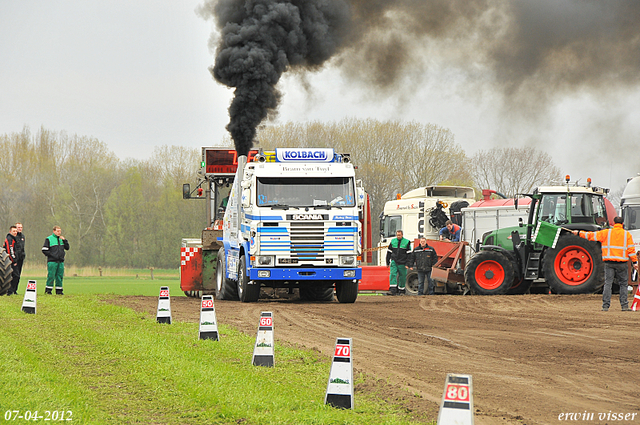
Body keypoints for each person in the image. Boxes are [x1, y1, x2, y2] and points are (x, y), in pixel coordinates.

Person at [573, 216, 638, 311]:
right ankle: (624, 306)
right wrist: (635, 262)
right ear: (622, 224)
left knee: (608, 283)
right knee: (623, 284)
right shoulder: (626, 235)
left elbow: (591, 236)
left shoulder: (607, 232)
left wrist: (578, 233)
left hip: (609, 263)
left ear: (614, 223)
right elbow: (631, 250)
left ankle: (605, 306)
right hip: (622, 263)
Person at [42, 226, 70, 295]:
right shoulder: (49, 239)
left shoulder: (61, 240)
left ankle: (59, 291)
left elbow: (67, 248)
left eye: (60, 231)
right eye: (57, 231)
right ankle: (48, 290)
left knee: (59, 276)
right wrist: (52, 255)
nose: (59, 233)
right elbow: (44, 250)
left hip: (60, 261)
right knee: (51, 276)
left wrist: (65, 240)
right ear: (54, 231)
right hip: (52, 261)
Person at [385, 230, 411, 295]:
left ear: (402, 235)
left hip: (403, 262)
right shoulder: (393, 241)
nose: (398, 236)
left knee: (402, 276)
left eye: (399, 235)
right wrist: (387, 262)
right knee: (393, 274)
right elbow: (389, 252)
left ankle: (401, 290)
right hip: (394, 261)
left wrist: (408, 264)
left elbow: (409, 255)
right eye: (397, 235)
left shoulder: (407, 242)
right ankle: (392, 290)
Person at [3, 226, 18, 296]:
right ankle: (10, 291)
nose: (15, 232)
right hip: (9, 261)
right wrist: (14, 261)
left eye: (16, 231)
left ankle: (12, 291)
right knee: (15, 275)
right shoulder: (10, 239)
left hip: (11, 260)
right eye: (14, 231)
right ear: (10, 232)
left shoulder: (14, 239)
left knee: (15, 275)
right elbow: (10, 251)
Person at [12, 222, 25, 295]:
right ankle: (11, 289)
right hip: (15, 259)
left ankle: (15, 290)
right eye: (18, 227)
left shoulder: (22, 236)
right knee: (15, 274)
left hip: (21, 258)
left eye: (21, 227)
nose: (20, 229)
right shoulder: (14, 237)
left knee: (18, 274)